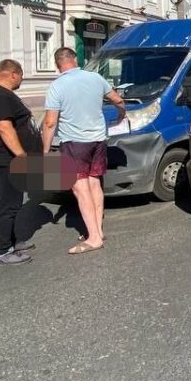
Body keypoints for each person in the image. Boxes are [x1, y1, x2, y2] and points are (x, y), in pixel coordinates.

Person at [41, 47, 127, 255]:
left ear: (57, 64)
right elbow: (118, 100)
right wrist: (120, 116)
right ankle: (98, 229)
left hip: (74, 143)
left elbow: (50, 122)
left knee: (80, 189)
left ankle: (94, 238)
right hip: (98, 140)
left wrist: (45, 151)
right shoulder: (95, 78)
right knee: (94, 183)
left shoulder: (57, 86)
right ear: (75, 59)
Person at [0, 59, 39, 266]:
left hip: (10, 159)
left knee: (14, 203)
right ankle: (3, 251)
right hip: (7, 160)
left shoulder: (1, 94)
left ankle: (14, 243)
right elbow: (4, 128)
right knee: (9, 205)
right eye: (21, 76)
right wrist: (21, 156)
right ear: (13, 74)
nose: (21, 80)